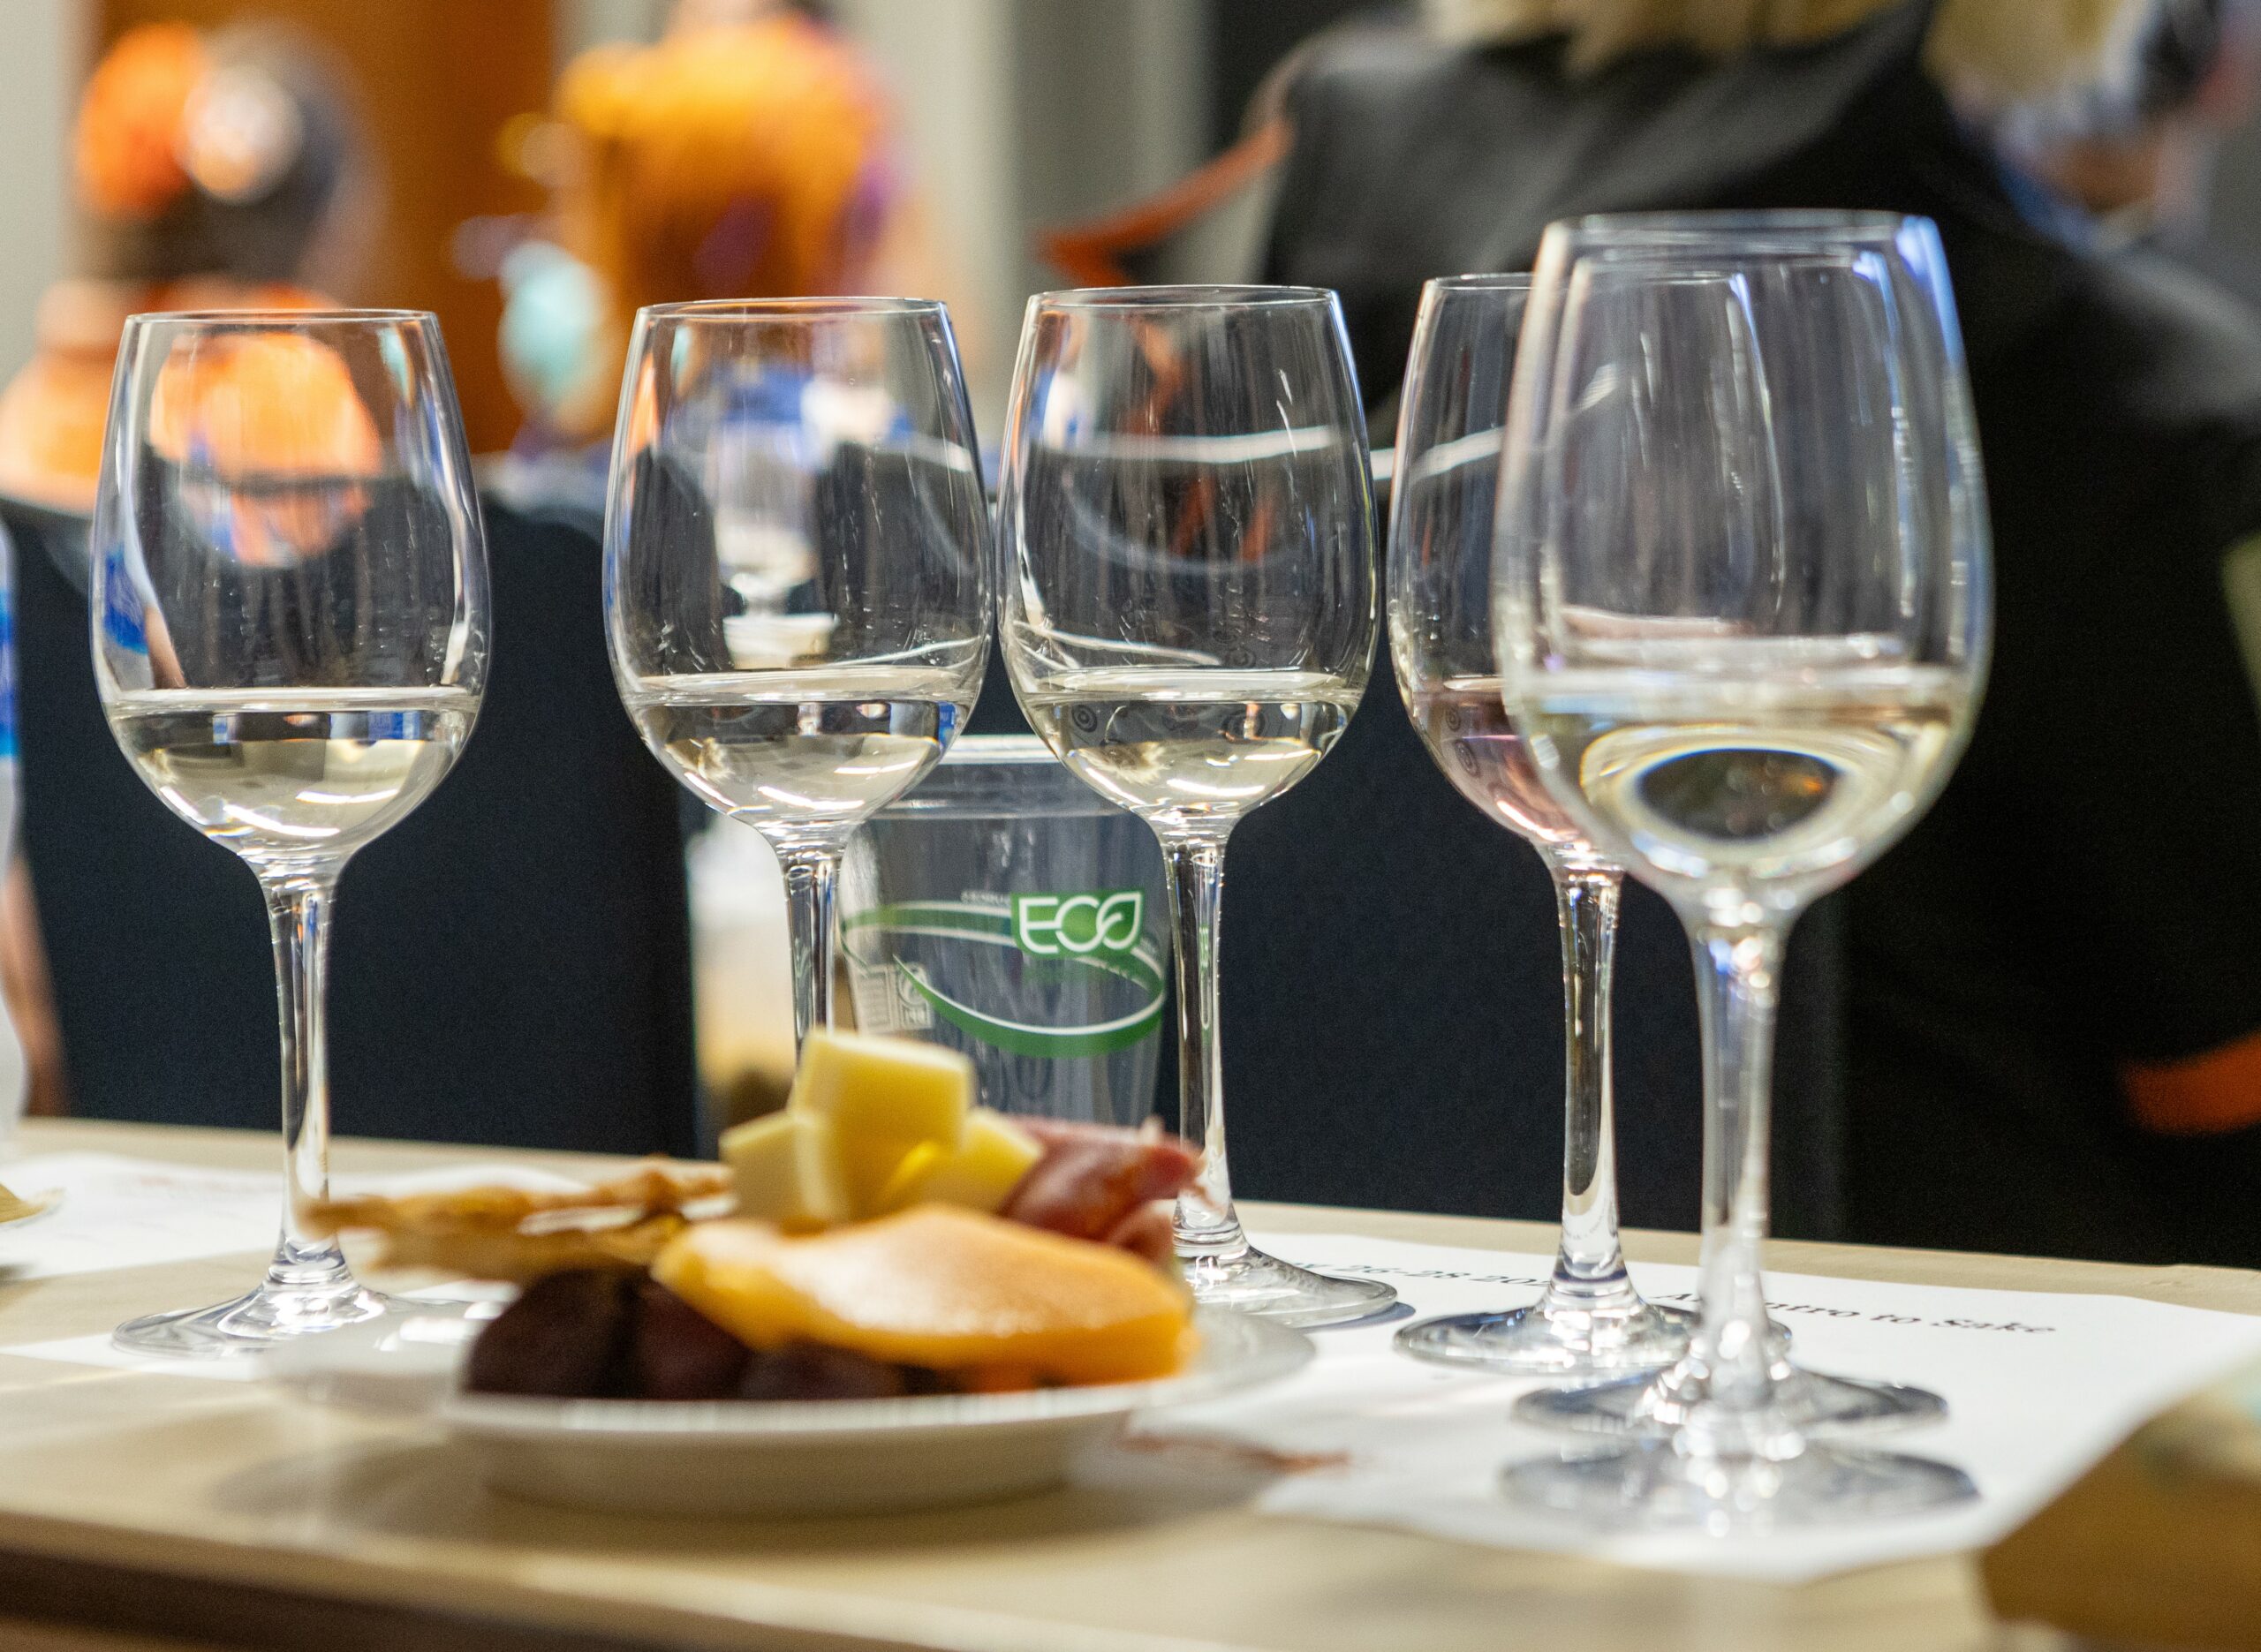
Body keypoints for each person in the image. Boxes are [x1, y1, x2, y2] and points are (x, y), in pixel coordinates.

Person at [1259, 0, 2261, 1265]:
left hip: (1394, 1303)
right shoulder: (2134, 400)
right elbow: (2231, 1106)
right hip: (1971, 1359)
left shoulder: (1355, 182)